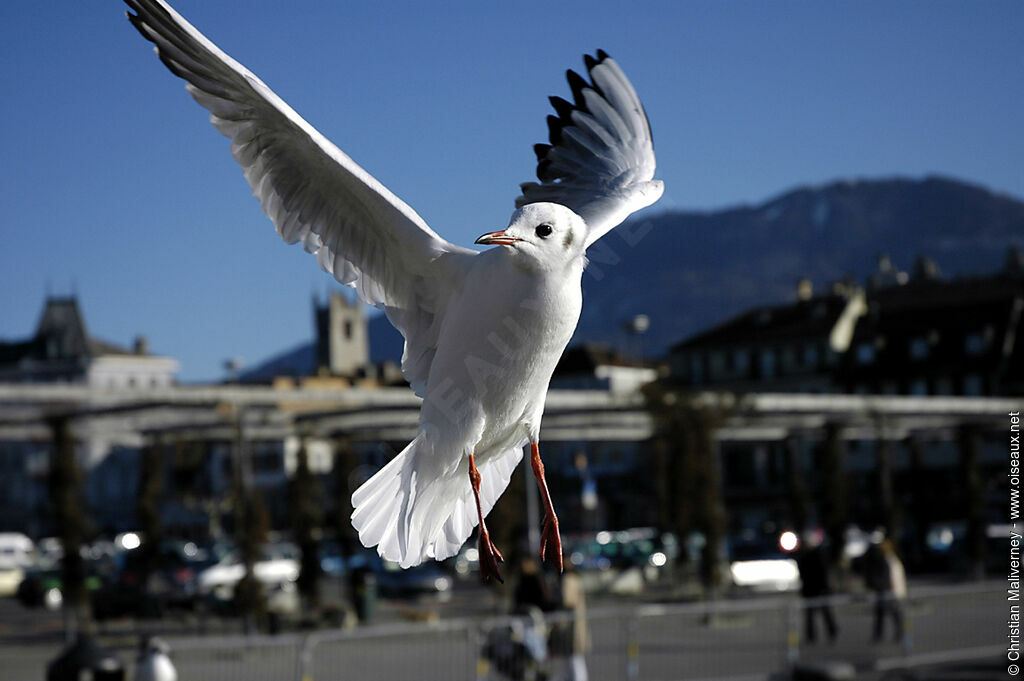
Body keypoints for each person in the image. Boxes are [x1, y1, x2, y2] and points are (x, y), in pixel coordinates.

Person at [795, 532, 838, 644]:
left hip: (818, 589)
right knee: (812, 615)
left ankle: (831, 632)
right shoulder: (804, 557)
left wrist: (825, 587)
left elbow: (822, 573)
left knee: (824, 612)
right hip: (811, 590)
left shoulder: (815, 555)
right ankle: (812, 635)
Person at [865, 536, 905, 643]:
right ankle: (880, 634)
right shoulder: (886, 559)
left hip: (890, 592)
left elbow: (893, 577)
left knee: (894, 614)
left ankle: (899, 633)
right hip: (887, 591)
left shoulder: (889, 559)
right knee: (883, 614)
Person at [557, 561, 590, 681]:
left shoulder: (568, 579)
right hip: (575, 624)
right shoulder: (575, 578)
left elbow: (569, 601)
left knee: (574, 660)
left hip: (571, 625)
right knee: (573, 660)